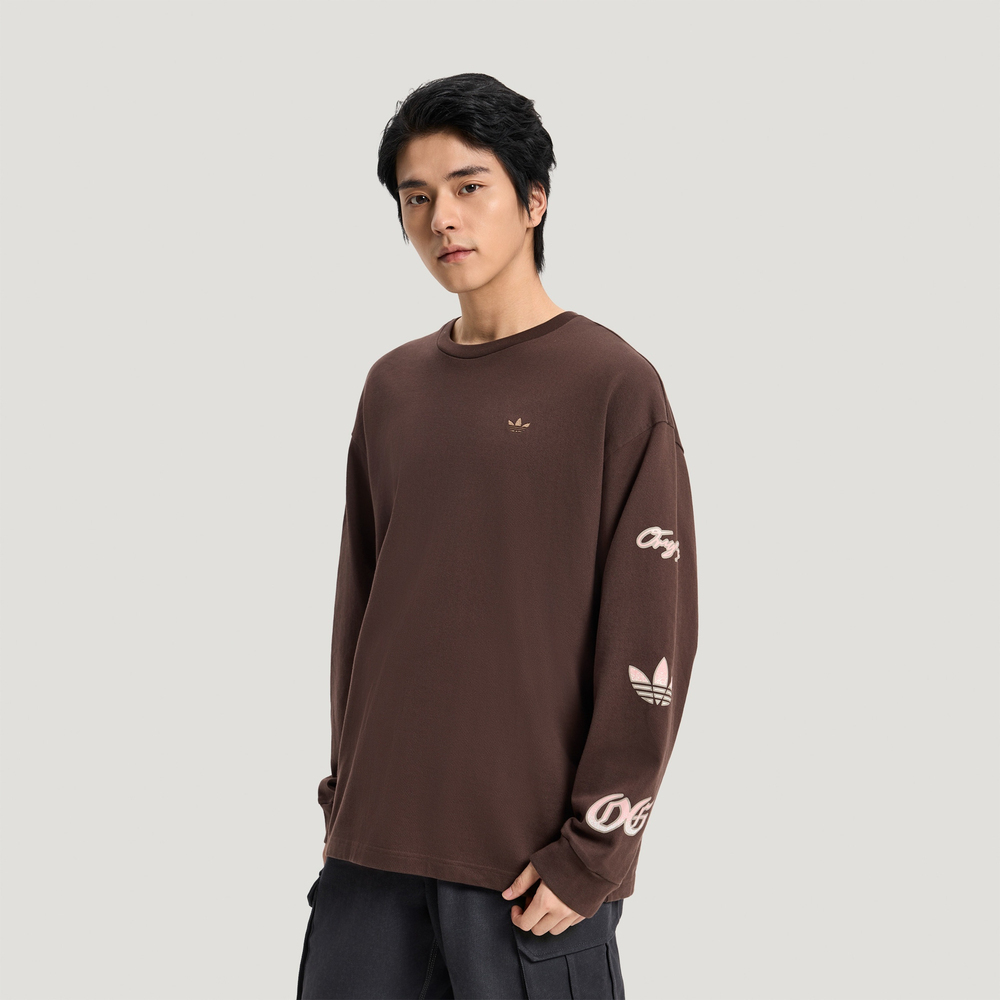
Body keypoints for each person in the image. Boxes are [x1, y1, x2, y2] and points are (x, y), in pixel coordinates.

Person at [296, 72, 699, 1000]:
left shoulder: (613, 386)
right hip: (370, 863)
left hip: (528, 877)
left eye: (468, 186)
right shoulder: (392, 388)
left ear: (534, 198)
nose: (442, 218)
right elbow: (359, 611)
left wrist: (595, 851)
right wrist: (342, 799)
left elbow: (653, 639)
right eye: (416, 197)